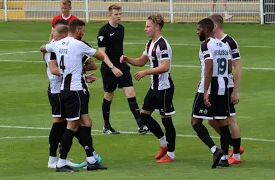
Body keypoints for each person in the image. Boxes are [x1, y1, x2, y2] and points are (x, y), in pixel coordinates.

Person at [41, 19, 120, 172]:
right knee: (71, 125)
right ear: (77, 31)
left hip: (67, 89)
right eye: (82, 31)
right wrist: (112, 66)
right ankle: (61, 162)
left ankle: (91, 159)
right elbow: (100, 56)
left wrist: (46, 46)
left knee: (86, 122)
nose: (83, 34)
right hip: (73, 91)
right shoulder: (78, 44)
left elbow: (43, 47)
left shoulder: (56, 45)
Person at [120, 14, 176, 163]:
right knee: (144, 115)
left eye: (148, 26)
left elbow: (165, 66)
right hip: (154, 88)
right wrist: (128, 59)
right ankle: (164, 143)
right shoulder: (150, 43)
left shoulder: (163, 45)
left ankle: (171, 154)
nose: (145, 29)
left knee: (166, 120)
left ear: (157, 27)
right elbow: (141, 61)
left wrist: (146, 72)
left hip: (164, 88)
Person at [97, 4, 148, 134]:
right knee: (109, 95)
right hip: (109, 68)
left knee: (131, 93)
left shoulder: (121, 29)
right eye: (116, 14)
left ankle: (141, 125)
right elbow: (102, 53)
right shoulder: (103, 31)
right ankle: (106, 126)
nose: (119, 16)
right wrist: (112, 67)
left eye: (120, 14)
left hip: (122, 66)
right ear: (110, 14)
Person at [191, 18, 232, 168]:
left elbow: (209, 67)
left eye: (198, 29)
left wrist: (206, 89)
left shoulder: (205, 45)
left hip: (208, 88)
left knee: (195, 121)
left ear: (206, 30)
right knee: (223, 122)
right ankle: (225, 158)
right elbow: (229, 68)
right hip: (223, 87)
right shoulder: (223, 45)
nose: (197, 33)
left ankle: (215, 150)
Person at [208, 14, 244, 165]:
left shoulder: (229, 42)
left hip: (227, 87)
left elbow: (238, 66)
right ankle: (233, 144)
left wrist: (235, 90)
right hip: (215, 87)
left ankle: (236, 155)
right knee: (211, 120)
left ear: (215, 27)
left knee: (229, 119)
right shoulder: (213, 43)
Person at [45, 19, 78, 169]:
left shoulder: (54, 46)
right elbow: (54, 70)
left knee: (64, 123)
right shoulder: (53, 48)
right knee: (59, 122)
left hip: (63, 88)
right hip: (56, 89)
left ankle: (60, 157)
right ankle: (52, 159)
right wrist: (75, 73)